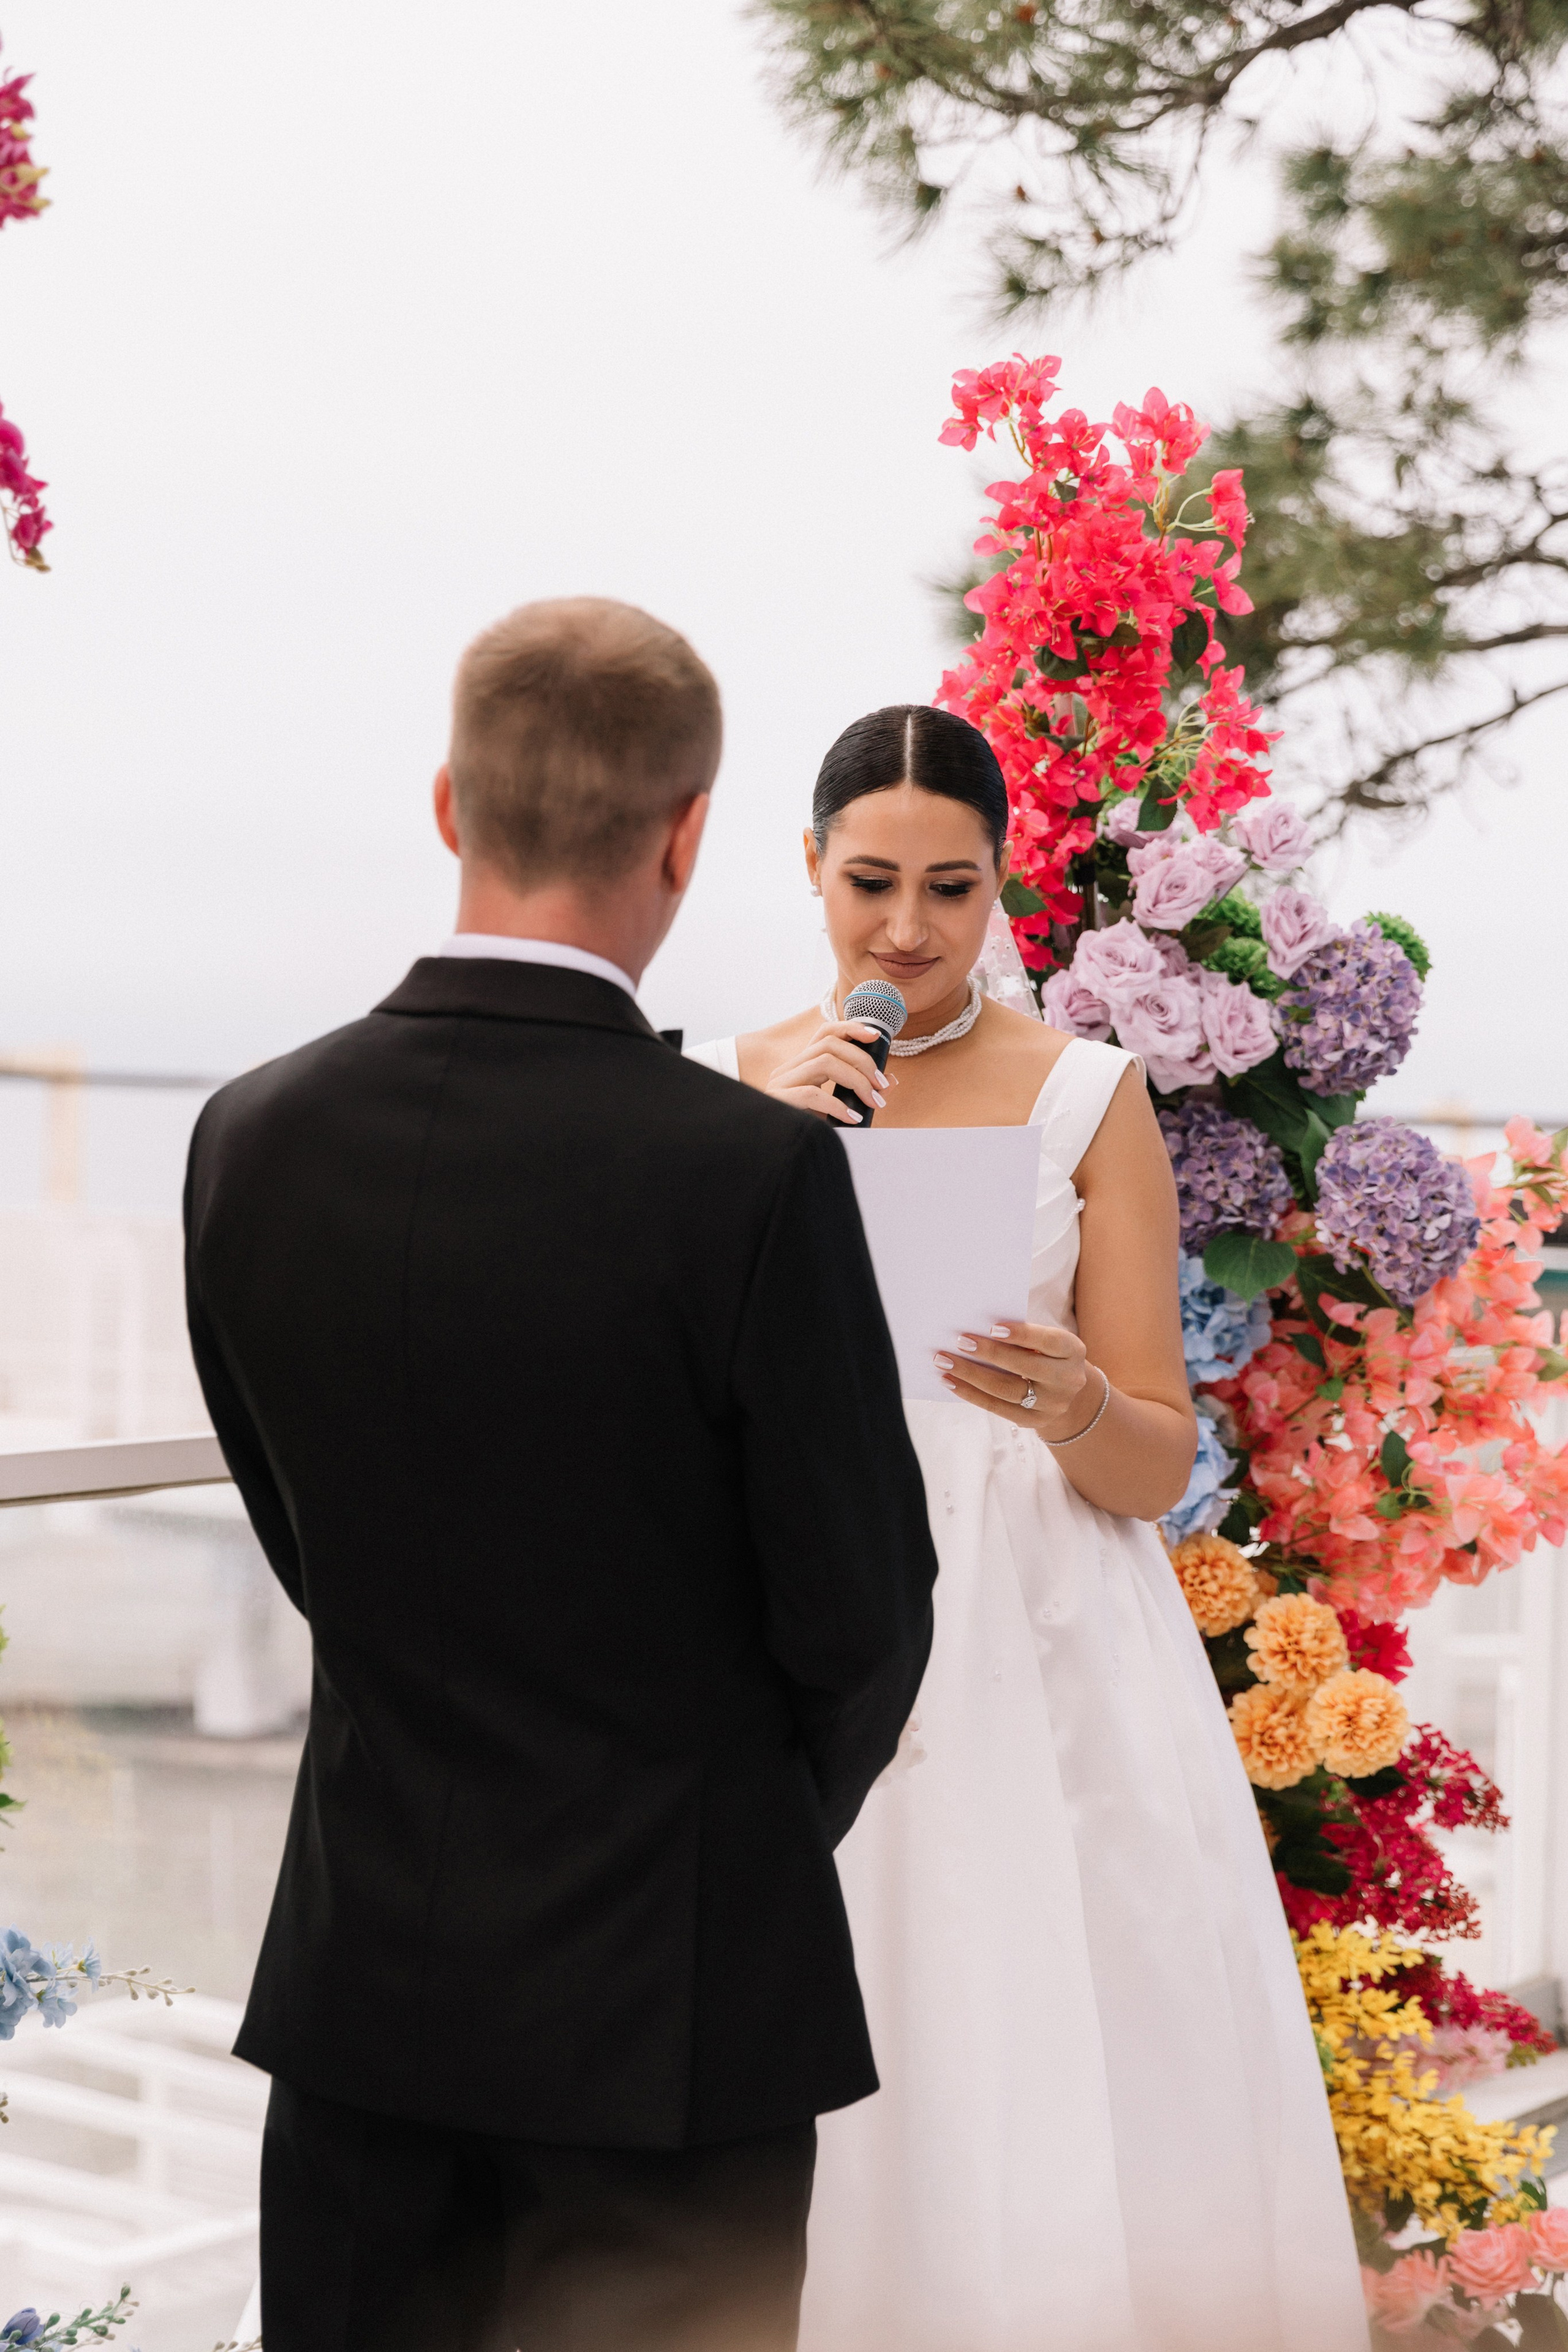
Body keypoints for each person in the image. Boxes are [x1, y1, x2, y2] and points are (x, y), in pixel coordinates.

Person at [183, 603, 938, 2352]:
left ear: (452, 805)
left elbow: (305, 1540)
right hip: (672, 2027)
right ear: (687, 834)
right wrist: (722, 1837)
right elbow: (861, 1618)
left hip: (365, 2000)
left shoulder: (248, 1137)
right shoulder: (748, 1179)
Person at [687, 703, 1370, 2352]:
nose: (907, 931)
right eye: (869, 885)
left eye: (952, 888)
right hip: (797, 1627)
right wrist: (744, 1153)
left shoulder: (1088, 1093)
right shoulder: (735, 1089)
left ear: (1004, 889)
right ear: (809, 869)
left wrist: (1072, 1401)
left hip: (1036, 1637)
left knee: (1046, 2047)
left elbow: (1153, 1461)